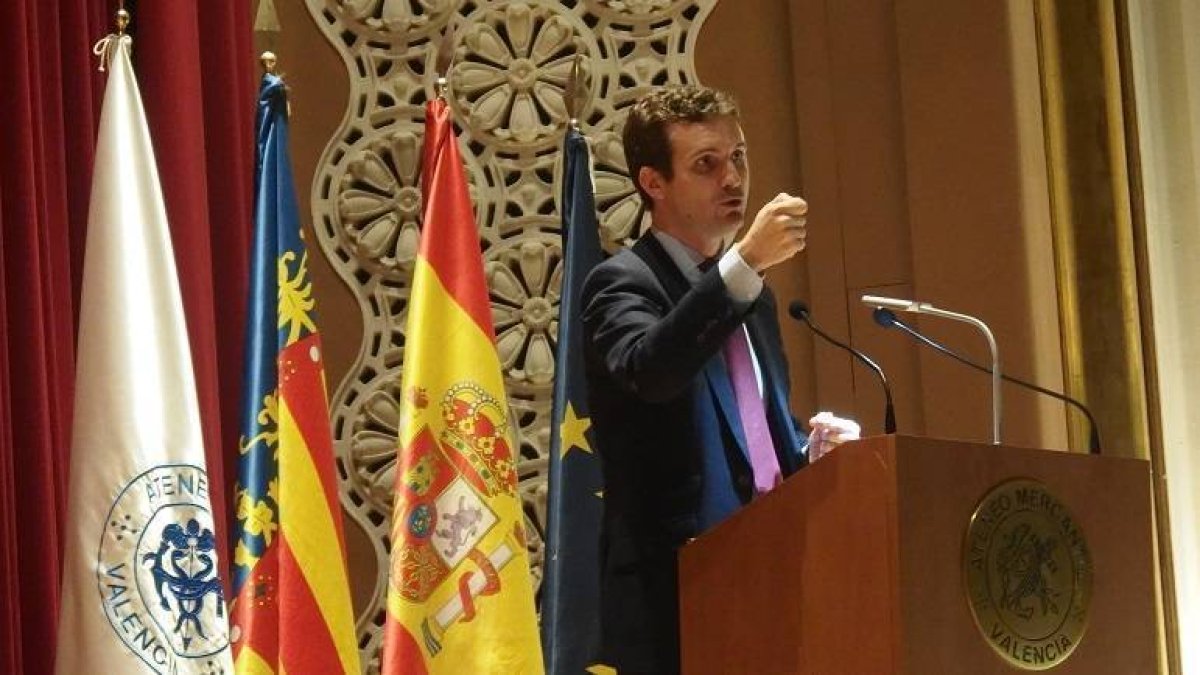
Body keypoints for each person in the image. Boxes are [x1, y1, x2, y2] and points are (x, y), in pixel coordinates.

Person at [581, 84, 860, 674]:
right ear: (652, 183)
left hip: (768, 581)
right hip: (676, 598)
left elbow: (749, 438)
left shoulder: (751, 298)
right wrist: (745, 263)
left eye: (739, 157)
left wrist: (810, 451)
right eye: (706, 165)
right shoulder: (622, 284)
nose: (732, 179)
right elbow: (653, 370)